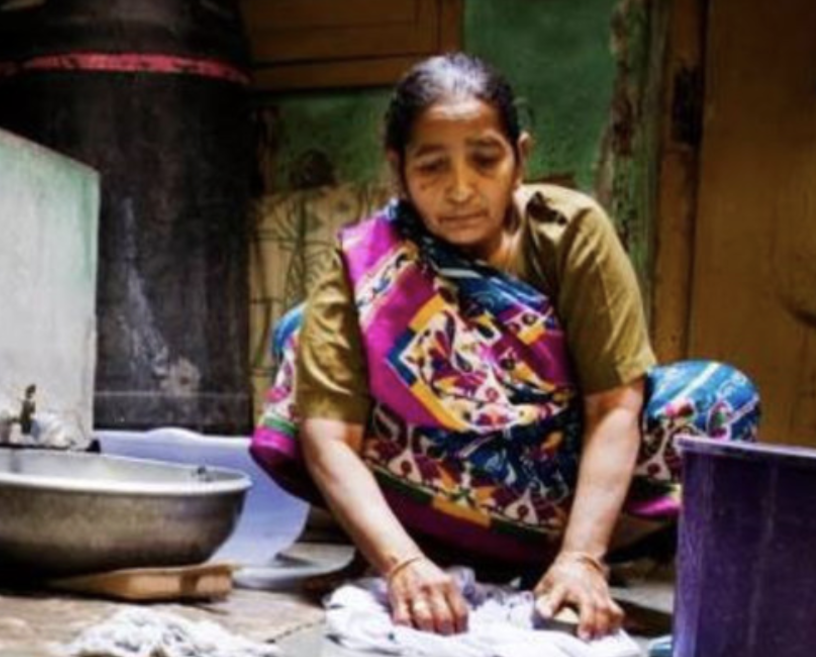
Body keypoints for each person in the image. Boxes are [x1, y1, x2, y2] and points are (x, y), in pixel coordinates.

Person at [250, 53, 760, 641]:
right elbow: (331, 438)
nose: (461, 188)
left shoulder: (570, 232)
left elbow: (614, 406)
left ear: (521, 158)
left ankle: (554, 565)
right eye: (432, 166)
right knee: (303, 333)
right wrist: (401, 563)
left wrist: (582, 557)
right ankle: (419, 548)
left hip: (556, 486)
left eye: (485, 159)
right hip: (426, 493)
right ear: (398, 169)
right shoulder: (369, 263)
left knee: (721, 401)